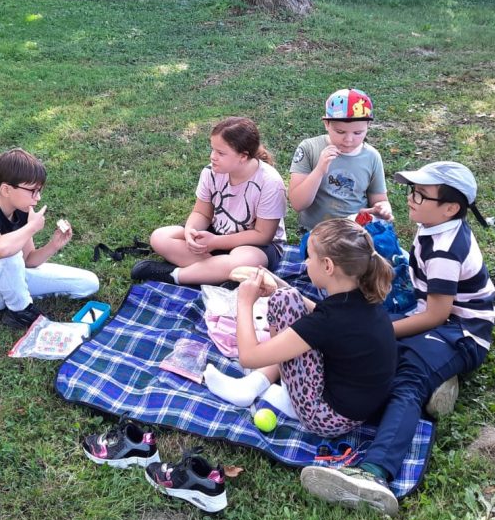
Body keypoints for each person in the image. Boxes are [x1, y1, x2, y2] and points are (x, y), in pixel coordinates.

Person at [301, 161, 495, 515]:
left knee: (408, 380)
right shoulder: (433, 226)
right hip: (430, 318)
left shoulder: (446, 250)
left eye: (421, 195)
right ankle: (441, 382)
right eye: (412, 191)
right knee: (368, 343)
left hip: (460, 332)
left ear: (450, 208)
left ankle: (375, 472)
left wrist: (377, 331)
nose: (411, 198)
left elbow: (436, 315)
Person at [203, 218, 396, 437]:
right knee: (285, 296)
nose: (306, 263)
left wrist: (244, 302)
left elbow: (248, 357)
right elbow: (321, 316)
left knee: (281, 301)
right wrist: (281, 286)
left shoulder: (328, 320)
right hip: (359, 408)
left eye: (309, 257)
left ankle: (267, 392)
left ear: (328, 266)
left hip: (325, 418)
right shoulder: (361, 299)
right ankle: (260, 385)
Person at [131, 117, 287, 286]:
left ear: (243, 156)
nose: (213, 157)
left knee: (245, 262)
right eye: (213, 149)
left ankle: (175, 275)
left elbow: (262, 236)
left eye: (221, 153)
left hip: (255, 246)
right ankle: (218, 274)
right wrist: (191, 231)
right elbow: (202, 213)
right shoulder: (211, 172)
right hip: (216, 234)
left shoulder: (270, 183)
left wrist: (215, 242)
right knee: (160, 237)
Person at [0, 148, 99, 329]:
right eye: (32, 191)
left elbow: (29, 260)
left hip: (13, 274)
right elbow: (0, 249)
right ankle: (20, 312)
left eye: (39, 190)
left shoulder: (21, 210)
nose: (38, 197)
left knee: (88, 283)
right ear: (6, 189)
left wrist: (53, 245)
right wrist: (31, 227)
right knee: (10, 252)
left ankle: (20, 293)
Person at [288, 88, 392, 237]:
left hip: (356, 234)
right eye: (340, 132)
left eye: (358, 133)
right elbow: (298, 203)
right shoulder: (310, 148)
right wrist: (319, 170)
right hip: (315, 233)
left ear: (368, 126)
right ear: (326, 124)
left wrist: (383, 209)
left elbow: (379, 200)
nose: (348, 140)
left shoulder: (372, 157)